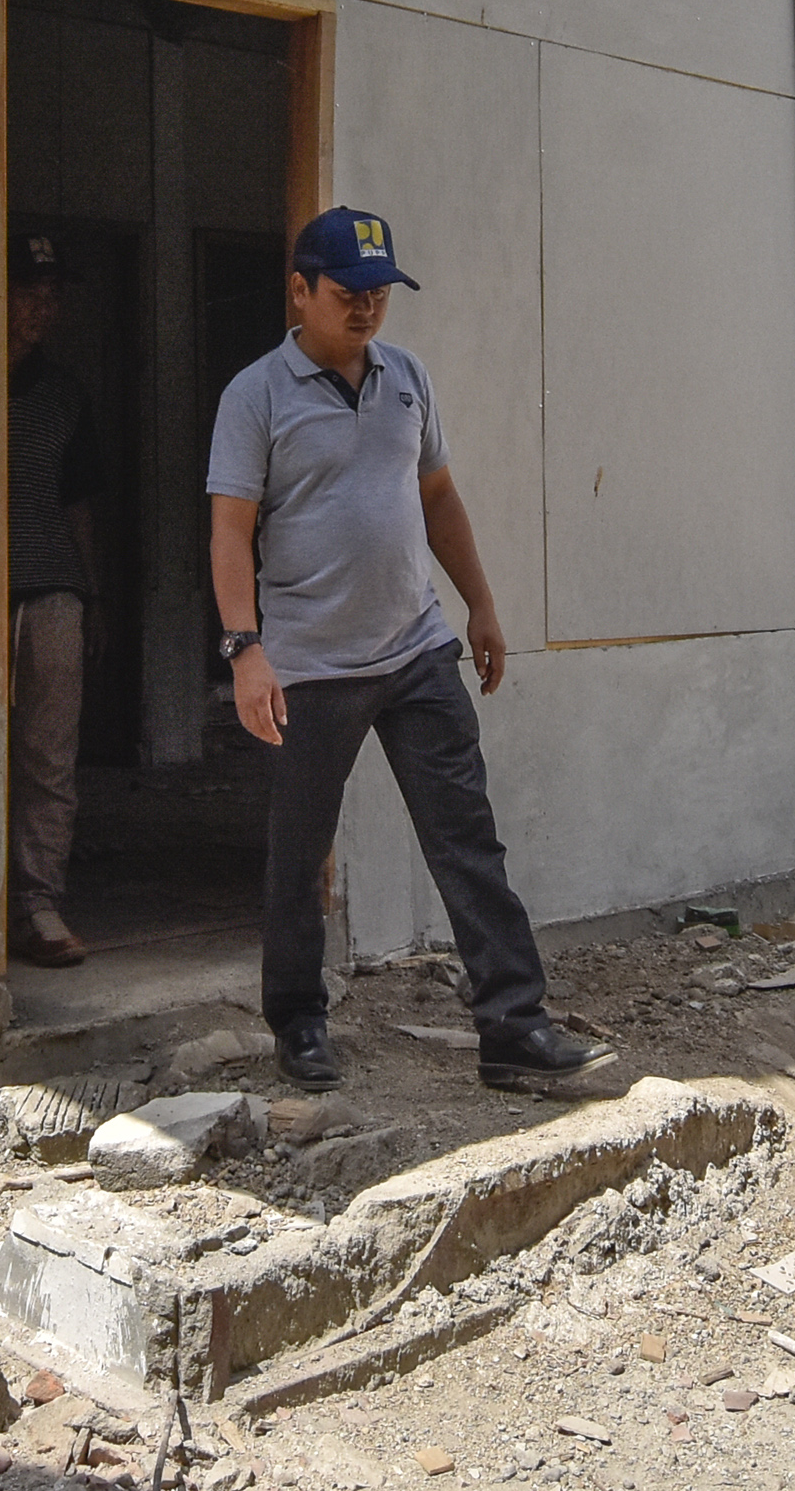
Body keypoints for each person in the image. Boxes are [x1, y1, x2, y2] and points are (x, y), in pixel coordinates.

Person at [208, 207, 611, 1096]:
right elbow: (230, 532)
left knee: (467, 838)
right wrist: (245, 649)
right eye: (349, 294)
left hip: (418, 650)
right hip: (309, 666)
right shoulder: (255, 396)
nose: (366, 311)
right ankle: (300, 1023)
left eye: (381, 294)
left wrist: (483, 605)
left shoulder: (407, 378)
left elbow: (438, 497)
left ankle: (513, 1026)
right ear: (300, 290)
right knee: (299, 851)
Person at [5, 233, 103, 968]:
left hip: (53, 589)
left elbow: (79, 502)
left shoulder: (64, 394)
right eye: (27, 292)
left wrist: (90, 591)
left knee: (49, 755)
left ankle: (39, 901)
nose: (41, 308)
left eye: (50, 295)